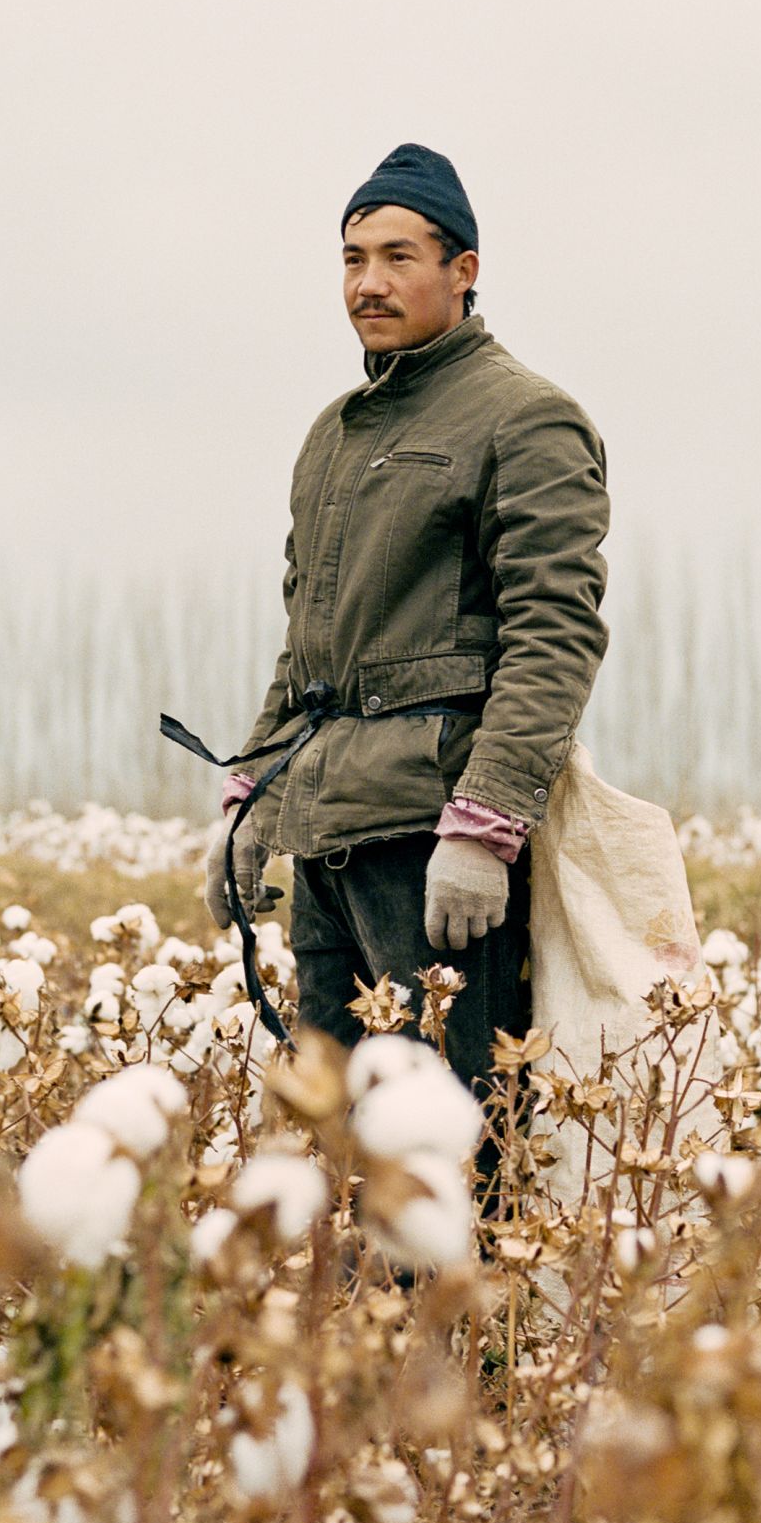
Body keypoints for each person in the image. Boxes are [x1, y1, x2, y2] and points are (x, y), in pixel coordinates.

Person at [202, 142, 611, 1150]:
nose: (367, 283)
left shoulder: (528, 418)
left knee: (449, 1138)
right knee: (333, 1139)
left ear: (463, 268)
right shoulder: (333, 434)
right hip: (329, 834)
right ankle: (354, 1316)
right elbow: (309, 649)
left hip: (432, 845)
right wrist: (250, 798)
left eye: (396, 255)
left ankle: (465, 1314)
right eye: (351, 258)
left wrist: (484, 824)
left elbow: (554, 635)